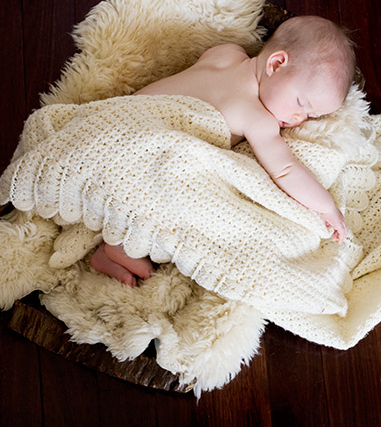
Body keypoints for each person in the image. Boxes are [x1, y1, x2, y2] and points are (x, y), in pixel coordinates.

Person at [89, 15, 356, 286]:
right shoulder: (257, 117)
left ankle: (109, 249)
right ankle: (118, 247)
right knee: (185, 203)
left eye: (311, 116)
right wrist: (326, 206)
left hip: (120, 124)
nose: (299, 118)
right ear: (276, 63)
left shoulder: (227, 53)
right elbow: (286, 169)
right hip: (146, 155)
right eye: (301, 103)